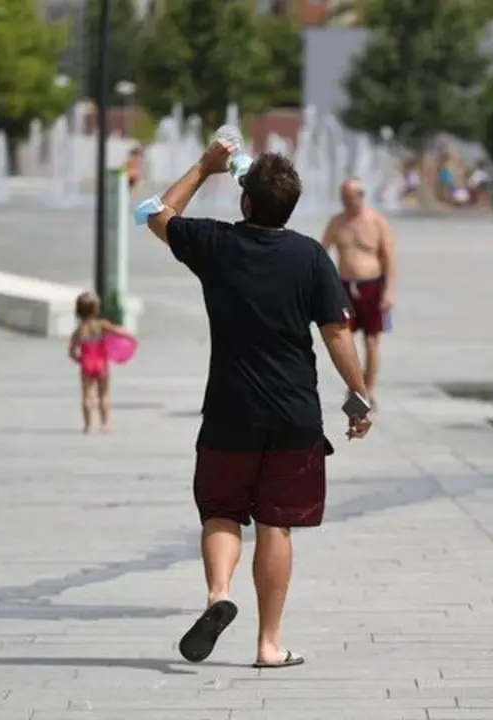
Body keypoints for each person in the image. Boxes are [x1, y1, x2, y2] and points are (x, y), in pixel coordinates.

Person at [143, 139, 373, 670]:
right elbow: (338, 334)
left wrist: (205, 166)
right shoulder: (310, 255)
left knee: (221, 511)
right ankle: (269, 644)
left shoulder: (215, 244)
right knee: (276, 524)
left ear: (245, 202)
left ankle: (219, 595)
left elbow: (158, 214)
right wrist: (359, 397)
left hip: (229, 410)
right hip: (294, 416)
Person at [321, 178, 397, 407]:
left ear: (361, 197)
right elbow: (322, 254)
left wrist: (389, 291)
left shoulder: (376, 222)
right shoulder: (336, 222)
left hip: (372, 285)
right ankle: (356, 387)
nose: (347, 203)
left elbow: (389, 259)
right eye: (343, 198)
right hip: (344, 287)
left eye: (351, 198)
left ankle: (369, 389)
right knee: (344, 340)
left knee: (372, 340)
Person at [68, 291, 136, 434]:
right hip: (101, 363)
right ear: (96, 309)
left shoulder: (79, 330)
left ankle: (88, 425)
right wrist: (132, 338)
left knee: (87, 394)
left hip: (87, 363)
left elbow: (72, 351)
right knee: (104, 394)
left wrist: (79, 360)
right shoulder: (102, 325)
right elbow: (121, 332)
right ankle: (105, 424)